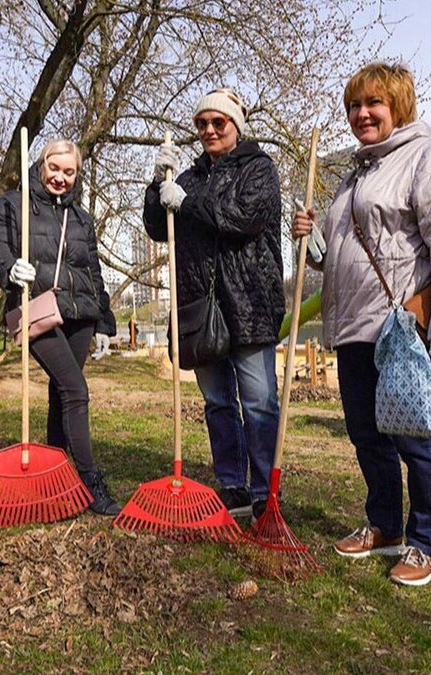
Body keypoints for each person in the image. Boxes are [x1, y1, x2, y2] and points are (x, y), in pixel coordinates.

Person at [291, 62, 431, 586]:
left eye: (372, 103)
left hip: (399, 326)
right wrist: (315, 241)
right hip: (352, 325)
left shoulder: (427, 158)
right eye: (353, 105)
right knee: (367, 436)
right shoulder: (356, 174)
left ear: (399, 106)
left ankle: (425, 542)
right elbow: (344, 253)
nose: (361, 114)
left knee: (415, 436)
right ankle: (384, 525)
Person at [143, 88, 284, 520]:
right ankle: (233, 485)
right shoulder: (187, 177)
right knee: (218, 401)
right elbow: (155, 227)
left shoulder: (259, 169)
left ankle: (265, 491)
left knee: (259, 401)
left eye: (217, 123)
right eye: (201, 123)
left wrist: (189, 203)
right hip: (200, 308)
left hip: (249, 302)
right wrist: (157, 184)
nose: (208, 130)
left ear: (235, 125)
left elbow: (242, 217)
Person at [0, 138, 120, 515]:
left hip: (80, 313)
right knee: (76, 390)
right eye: (54, 168)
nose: (60, 177)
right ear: (41, 165)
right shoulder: (14, 204)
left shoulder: (81, 218)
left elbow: (93, 272)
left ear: (77, 175)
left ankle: (56, 477)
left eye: (69, 172)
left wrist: (105, 324)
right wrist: (10, 268)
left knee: (61, 393)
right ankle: (91, 481)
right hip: (35, 308)